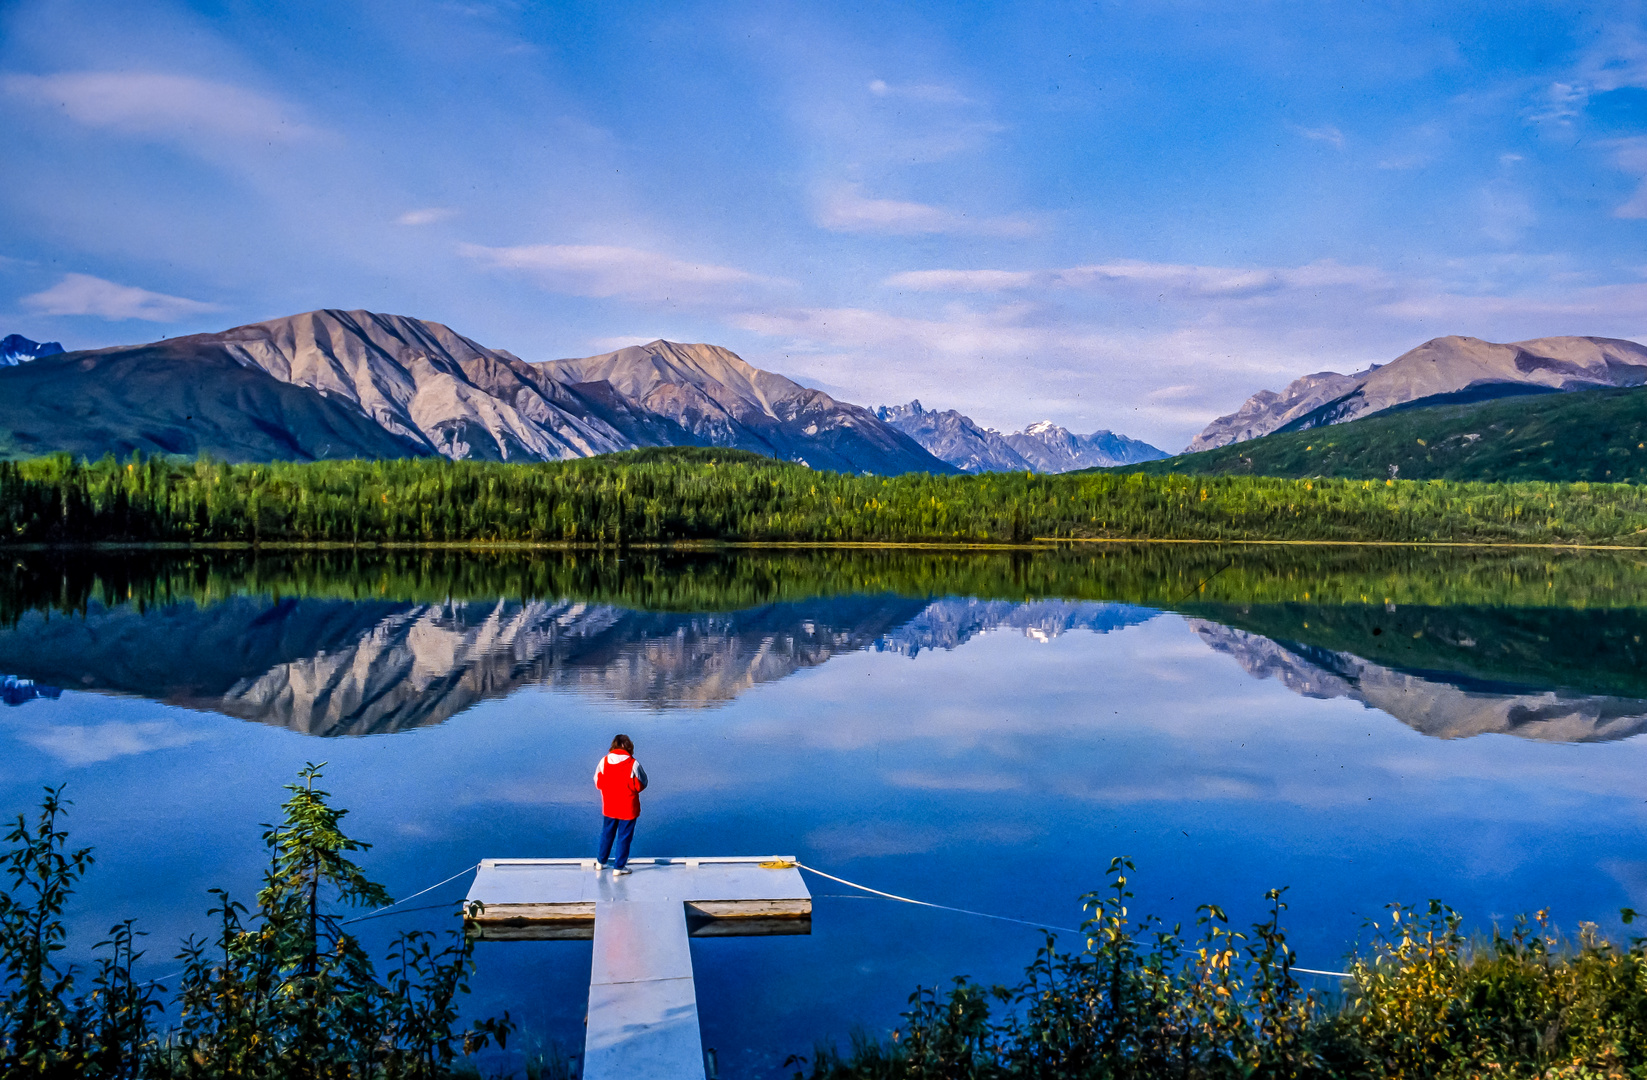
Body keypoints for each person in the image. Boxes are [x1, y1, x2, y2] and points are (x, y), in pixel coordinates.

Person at [594, 734, 648, 875]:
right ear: (629, 747)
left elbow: (598, 782)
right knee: (624, 837)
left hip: (609, 806)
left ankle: (601, 862)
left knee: (607, 833)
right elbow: (642, 783)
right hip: (628, 808)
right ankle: (619, 867)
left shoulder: (604, 761)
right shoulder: (633, 763)